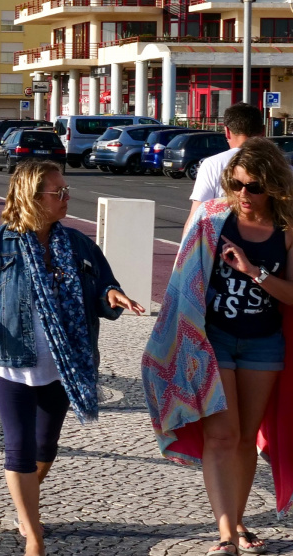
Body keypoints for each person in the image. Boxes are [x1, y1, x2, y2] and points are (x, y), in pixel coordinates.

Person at [0, 162, 142, 556]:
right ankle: (34, 535)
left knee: (46, 446)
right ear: (31, 197)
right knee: (19, 444)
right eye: (58, 192)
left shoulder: (78, 244)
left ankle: (24, 502)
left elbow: (104, 280)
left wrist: (111, 294)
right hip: (8, 357)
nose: (66, 197)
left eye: (65, 189)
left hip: (62, 361)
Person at [145, 138, 293, 556]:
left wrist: (254, 272)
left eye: (255, 187)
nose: (244, 195)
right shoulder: (214, 218)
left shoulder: (286, 232)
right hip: (212, 341)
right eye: (238, 184)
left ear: (274, 186)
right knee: (222, 436)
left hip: (264, 344)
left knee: (247, 438)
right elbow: (183, 277)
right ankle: (226, 534)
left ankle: (239, 521)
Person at [186, 102, 268, 236]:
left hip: (223, 245)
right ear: (263, 131)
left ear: (227, 132)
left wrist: (184, 253)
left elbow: (196, 218)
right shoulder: (283, 167)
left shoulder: (212, 164)